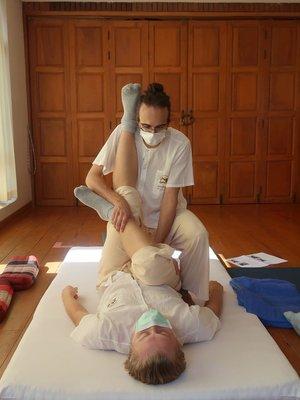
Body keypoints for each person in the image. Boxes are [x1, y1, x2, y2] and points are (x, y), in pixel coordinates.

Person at [62, 96, 223, 383]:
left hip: (126, 257)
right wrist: (199, 296)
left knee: (136, 209)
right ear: (178, 344)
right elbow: (216, 293)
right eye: (161, 332)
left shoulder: (105, 333)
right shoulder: (192, 327)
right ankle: (117, 210)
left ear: (130, 350)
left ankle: (111, 211)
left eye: (144, 334)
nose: (153, 326)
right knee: (150, 256)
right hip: (152, 261)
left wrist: (66, 294)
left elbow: (171, 199)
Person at [75, 82, 210, 305]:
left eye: (159, 128)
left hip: (168, 217)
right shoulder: (123, 133)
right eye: (145, 126)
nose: (152, 133)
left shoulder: (180, 144)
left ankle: (194, 295)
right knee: (106, 282)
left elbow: (169, 201)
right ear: (136, 120)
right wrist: (117, 202)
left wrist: (154, 244)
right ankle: (111, 213)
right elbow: (92, 178)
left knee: (198, 234)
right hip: (127, 213)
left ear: (169, 122)